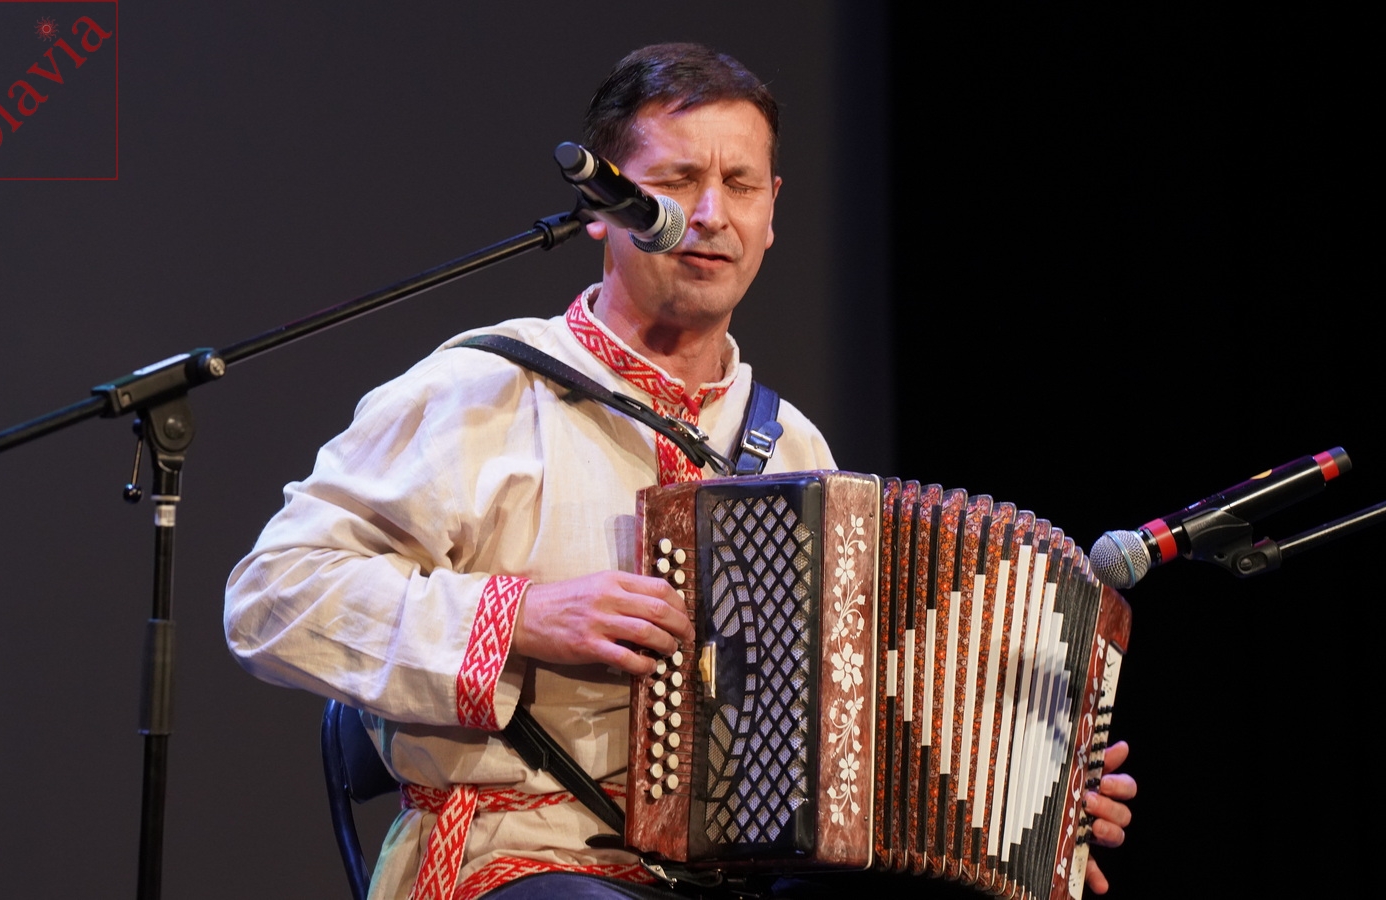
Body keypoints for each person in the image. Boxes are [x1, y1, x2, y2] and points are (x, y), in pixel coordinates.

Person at [224, 43, 1133, 900]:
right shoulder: (483, 394)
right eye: (675, 181)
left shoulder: (798, 454)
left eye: (740, 185)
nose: (710, 215)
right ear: (602, 206)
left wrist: (1030, 788)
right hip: (515, 860)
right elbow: (270, 598)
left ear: (772, 212)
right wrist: (521, 617)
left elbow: (855, 728)